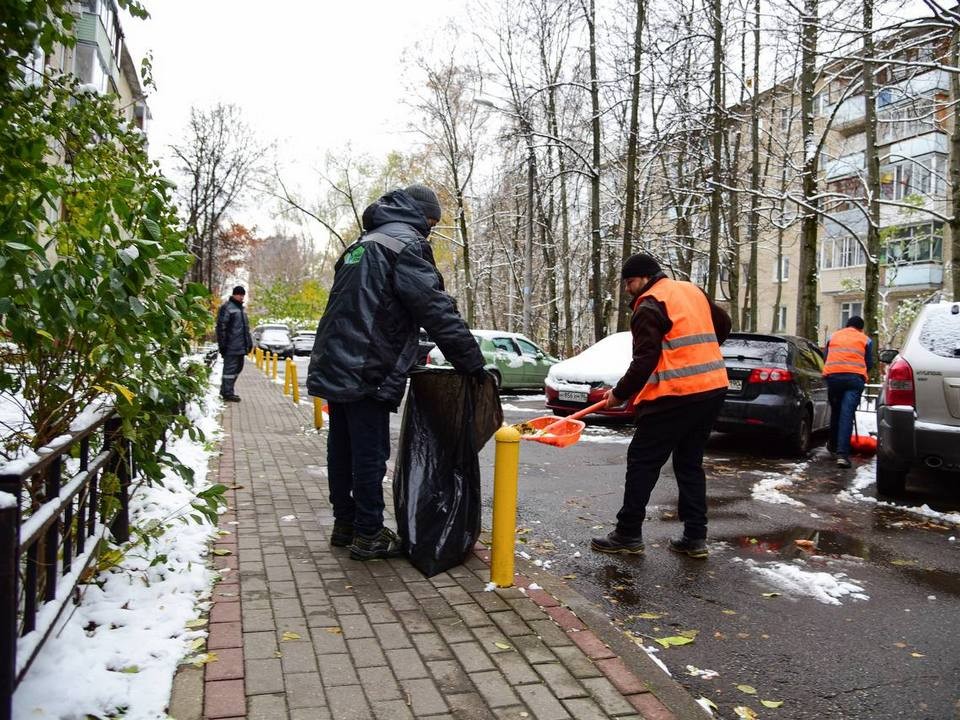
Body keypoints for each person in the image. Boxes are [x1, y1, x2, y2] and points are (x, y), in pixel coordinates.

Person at [307, 184, 486, 561]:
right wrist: (471, 361)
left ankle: (346, 524)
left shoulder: (362, 243)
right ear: (422, 216)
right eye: (432, 222)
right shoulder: (407, 244)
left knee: (342, 446)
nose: (431, 231)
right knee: (369, 452)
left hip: (335, 358)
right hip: (366, 364)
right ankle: (369, 532)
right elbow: (434, 308)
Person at [591, 253, 731, 559]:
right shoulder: (691, 291)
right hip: (712, 388)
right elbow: (724, 323)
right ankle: (695, 537)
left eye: (629, 282)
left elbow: (645, 360)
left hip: (676, 394)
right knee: (689, 463)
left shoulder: (649, 304)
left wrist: (619, 394)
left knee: (642, 460)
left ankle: (627, 534)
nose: (628, 289)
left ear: (643, 277)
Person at [823, 316, 872, 469]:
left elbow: (826, 358)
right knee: (846, 415)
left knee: (836, 412)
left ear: (847, 325)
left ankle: (832, 445)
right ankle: (842, 455)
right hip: (854, 380)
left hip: (833, 378)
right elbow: (869, 363)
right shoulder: (866, 340)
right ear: (861, 328)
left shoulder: (833, 337)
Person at [216, 285, 253, 402]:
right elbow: (221, 327)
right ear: (235, 294)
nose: (242, 297)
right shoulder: (227, 308)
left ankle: (227, 390)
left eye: (243, 295)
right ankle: (227, 393)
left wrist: (249, 343)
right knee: (229, 371)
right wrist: (222, 345)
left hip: (240, 347)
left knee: (238, 368)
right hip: (231, 346)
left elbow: (245, 329)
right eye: (240, 295)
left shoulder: (241, 310)